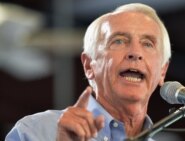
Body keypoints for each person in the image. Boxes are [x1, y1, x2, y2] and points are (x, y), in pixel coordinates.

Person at [5, 3, 171, 141]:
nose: (135, 52)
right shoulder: (36, 131)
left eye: (148, 44)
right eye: (118, 41)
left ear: (162, 71)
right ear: (89, 65)